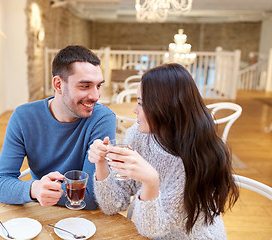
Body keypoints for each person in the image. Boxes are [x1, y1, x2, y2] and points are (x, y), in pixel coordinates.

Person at [88, 63, 239, 238]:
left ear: (165, 108)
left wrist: (151, 181)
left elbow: (152, 230)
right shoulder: (139, 136)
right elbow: (111, 204)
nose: (135, 110)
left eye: (141, 103)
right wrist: (101, 164)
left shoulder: (193, 160)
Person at [0, 45, 116, 209]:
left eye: (98, 86)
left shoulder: (102, 118)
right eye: (85, 86)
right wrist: (34, 189)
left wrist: (39, 190)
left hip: (83, 219)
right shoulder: (23, 117)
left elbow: (90, 197)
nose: (95, 96)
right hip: (40, 211)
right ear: (58, 84)